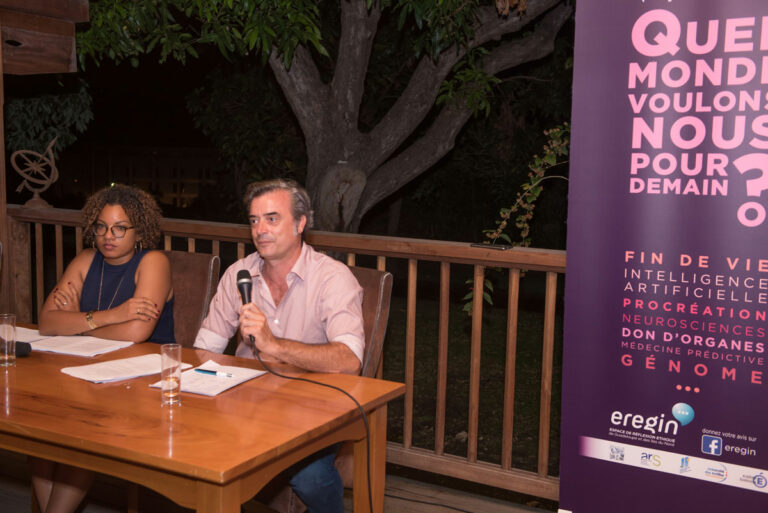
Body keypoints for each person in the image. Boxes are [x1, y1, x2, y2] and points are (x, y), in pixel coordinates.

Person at [194, 178, 364, 513]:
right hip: (245, 406)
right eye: (254, 220)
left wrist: (275, 346)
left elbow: (349, 360)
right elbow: (204, 349)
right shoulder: (238, 274)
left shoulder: (333, 278)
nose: (260, 230)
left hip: (311, 409)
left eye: (272, 219)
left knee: (310, 475)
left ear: (301, 223)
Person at [31, 183, 175, 513]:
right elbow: (47, 322)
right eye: (101, 227)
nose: (108, 236)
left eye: (120, 228)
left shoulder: (153, 262)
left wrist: (77, 323)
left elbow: (138, 332)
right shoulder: (85, 260)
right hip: (86, 372)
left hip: (141, 381)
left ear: (139, 231)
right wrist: (112, 316)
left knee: (87, 430)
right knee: (40, 426)